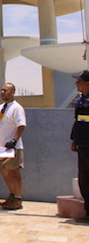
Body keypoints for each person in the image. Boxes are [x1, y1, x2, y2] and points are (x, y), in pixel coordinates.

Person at [0, 83, 26, 210]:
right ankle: (12, 195)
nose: (3, 92)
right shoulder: (1, 108)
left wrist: (14, 140)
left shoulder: (16, 108)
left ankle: (18, 198)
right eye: (2, 90)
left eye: (6, 90)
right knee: (3, 170)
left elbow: (21, 126)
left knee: (14, 171)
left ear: (12, 92)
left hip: (12, 147)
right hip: (2, 147)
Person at [71, 70, 89, 223]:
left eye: (79, 81)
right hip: (82, 144)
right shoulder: (80, 101)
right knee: (84, 178)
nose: (77, 84)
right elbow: (78, 122)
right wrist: (74, 140)